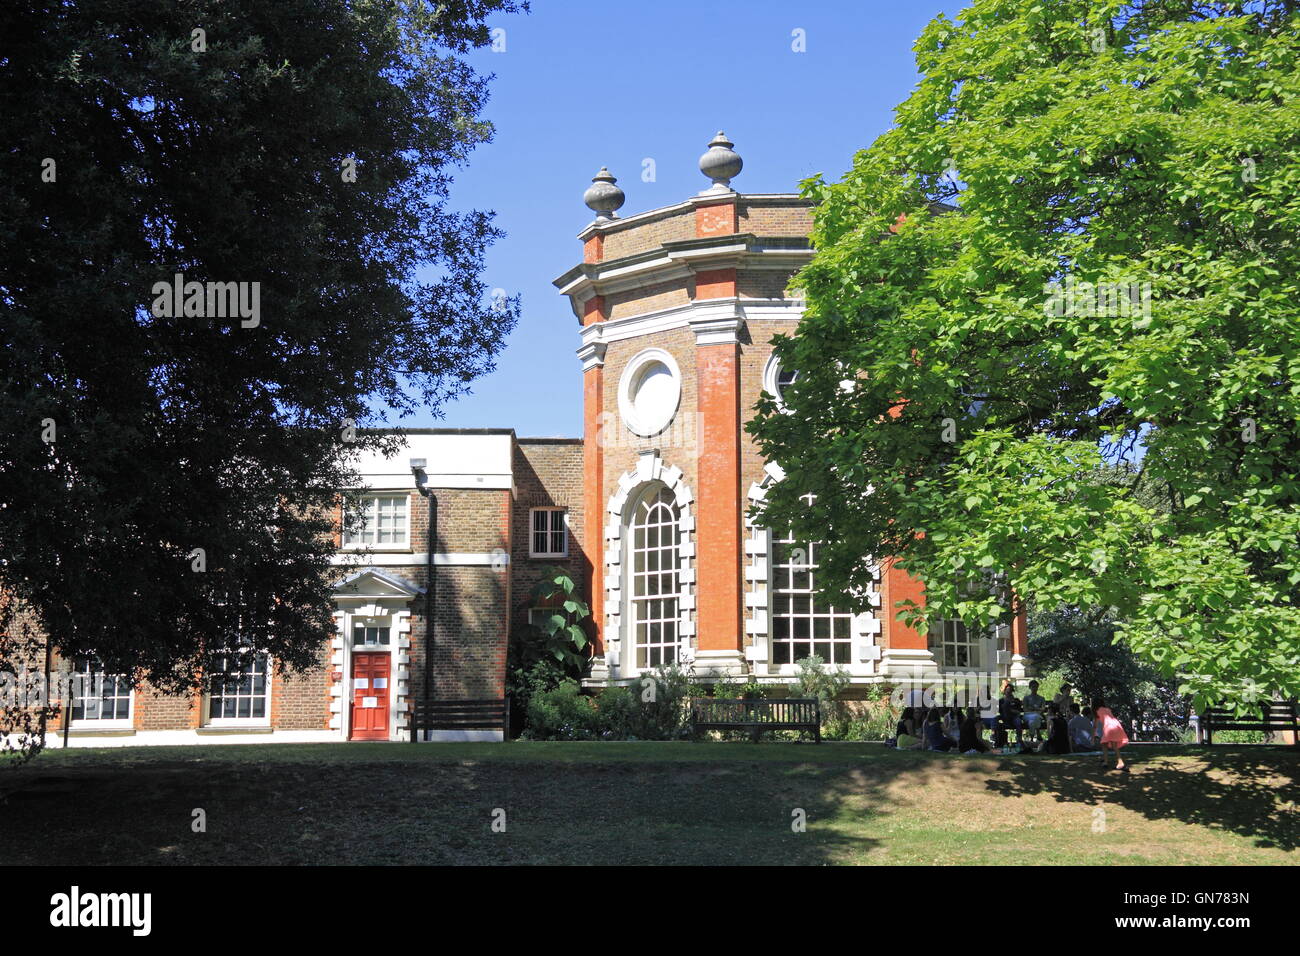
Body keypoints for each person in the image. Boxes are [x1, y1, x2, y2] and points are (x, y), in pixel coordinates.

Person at [1092, 697, 1131, 772]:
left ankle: (1112, 762)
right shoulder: (1107, 709)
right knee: (1113, 745)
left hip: (1109, 727)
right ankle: (1114, 762)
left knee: (1104, 744)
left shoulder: (1097, 711)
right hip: (1116, 725)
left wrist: (1093, 738)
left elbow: (1095, 726)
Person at [998, 681, 1024, 748]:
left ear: (1012, 692)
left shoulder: (1016, 700)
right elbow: (1000, 711)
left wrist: (1011, 710)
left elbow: (1018, 712)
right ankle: (999, 741)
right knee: (997, 723)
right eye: (1007, 690)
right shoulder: (1001, 701)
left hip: (1014, 718)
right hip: (1005, 718)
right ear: (1005, 691)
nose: (1008, 692)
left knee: (1018, 721)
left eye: (1010, 691)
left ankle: (1019, 739)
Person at [1023, 680, 1047, 744]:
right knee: (1036, 716)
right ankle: (1038, 733)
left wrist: (1034, 709)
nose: (1035, 688)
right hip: (1028, 715)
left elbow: (1043, 709)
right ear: (1030, 687)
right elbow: (1025, 710)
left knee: (1032, 722)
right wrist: (1037, 710)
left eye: (1036, 687)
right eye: (1033, 687)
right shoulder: (1026, 698)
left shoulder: (1041, 698)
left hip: (1037, 716)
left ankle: (1031, 740)